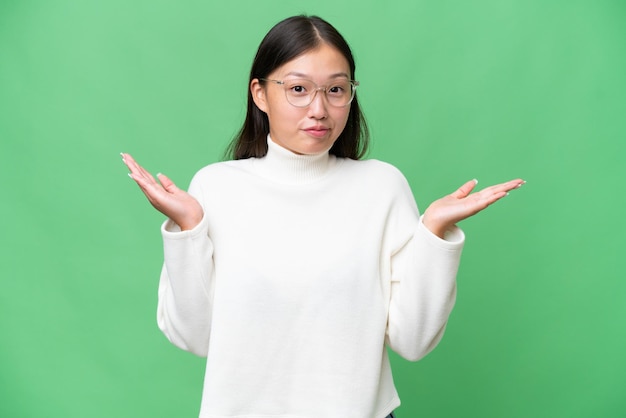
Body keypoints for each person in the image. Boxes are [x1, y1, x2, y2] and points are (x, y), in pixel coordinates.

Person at [121, 15, 524, 418]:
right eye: (298, 89)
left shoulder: (382, 187)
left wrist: (434, 233)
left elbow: (413, 341)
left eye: (335, 89)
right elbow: (195, 337)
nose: (319, 109)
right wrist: (187, 231)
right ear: (260, 94)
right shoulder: (215, 188)